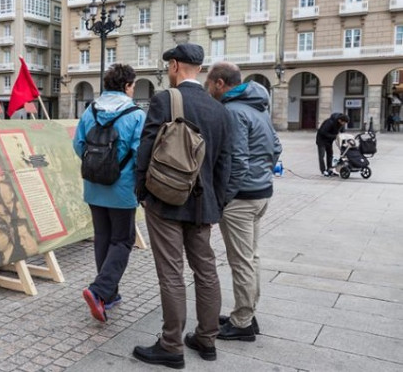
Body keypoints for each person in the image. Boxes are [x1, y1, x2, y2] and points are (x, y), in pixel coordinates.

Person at [133, 43, 231, 368]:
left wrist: (141, 192)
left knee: (171, 272)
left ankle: (171, 345)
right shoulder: (220, 109)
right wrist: (217, 204)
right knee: (206, 270)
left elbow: (146, 148)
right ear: (199, 69)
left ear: (174, 65)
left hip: (165, 199)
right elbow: (225, 165)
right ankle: (207, 339)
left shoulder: (165, 99)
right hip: (204, 206)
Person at [206, 62, 282, 342]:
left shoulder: (233, 111)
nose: (209, 89)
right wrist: (261, 174)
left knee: (241, 261)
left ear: (220, 84)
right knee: (251, 257)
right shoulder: (258, 107)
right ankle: (246, 312)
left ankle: (242, 322)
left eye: (209, 84)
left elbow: (235, 160)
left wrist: (224, 198)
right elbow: (275, 147)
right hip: (261, 194)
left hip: (241, 198)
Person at [73, 63, 145, 323]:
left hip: (94, 187)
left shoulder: (89, 111)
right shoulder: (136, 114)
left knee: (102, 237)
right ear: (127, 86)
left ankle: (108, 295)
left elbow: (78, 144)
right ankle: (99, 290)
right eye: (133, 85)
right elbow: (140, 153)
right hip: (122, 188)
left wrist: (98, 167)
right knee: (123, 240)